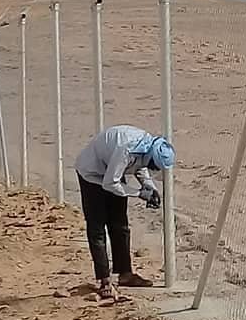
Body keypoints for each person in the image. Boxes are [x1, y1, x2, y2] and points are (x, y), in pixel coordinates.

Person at [74, 125, 175, 300]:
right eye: (154, 165)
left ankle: (125, 273)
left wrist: (149, 186)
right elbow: (110, 183)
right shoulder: (126, 149)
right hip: (92, 174)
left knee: (120, 225)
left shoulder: (146, 146)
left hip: (112, 170)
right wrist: (139, 193)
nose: (153, 168)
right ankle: (105, 281)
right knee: (97, 227)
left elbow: (140, 164)